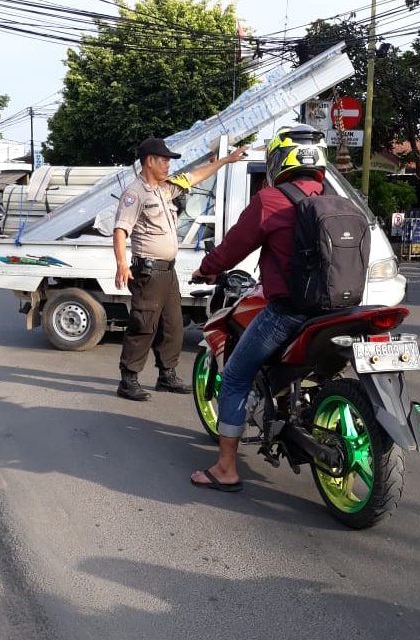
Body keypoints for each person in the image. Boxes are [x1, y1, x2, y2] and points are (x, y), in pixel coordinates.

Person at [190, 125, 327, 492]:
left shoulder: (270, 200)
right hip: (335, 311)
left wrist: (206, 269)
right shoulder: (336, 200)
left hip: (288, 312)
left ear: (279, 160)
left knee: (235, 376)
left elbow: (234, 247)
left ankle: (225, 469)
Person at [114, 137, 248, 401]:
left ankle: (167, 375)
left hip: (167, 272)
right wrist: (121, 263)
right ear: (150, 161)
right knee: (143, 325)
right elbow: (120, 230)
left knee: (172, 325)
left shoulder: (165, 189)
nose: (167, 165)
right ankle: (128, 379)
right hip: (148, 272)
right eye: (164, 160)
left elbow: (194, 177)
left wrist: (224, 161)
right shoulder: (134, 193)